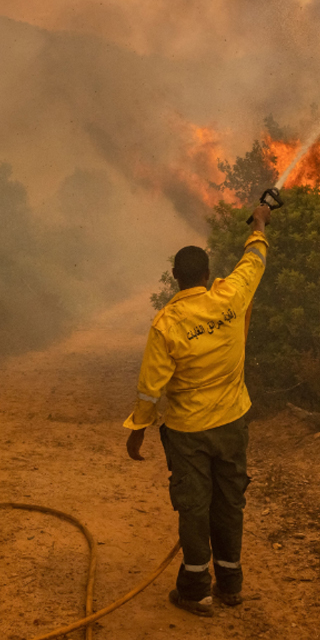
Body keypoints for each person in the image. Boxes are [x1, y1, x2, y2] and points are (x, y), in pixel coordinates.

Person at [125, 202, 271, 617]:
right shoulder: (231, 295)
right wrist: (258, 225)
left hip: (188, 433)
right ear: (207, 274)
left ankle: (195, 590)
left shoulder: (167, 323)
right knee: (229, 502)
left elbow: (150, 390)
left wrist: (137, 433)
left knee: (193, 506)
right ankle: (230, 585)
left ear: (175, 278)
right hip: (232, 425)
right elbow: (254, 260)